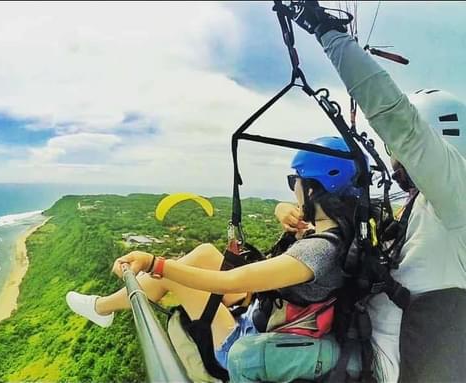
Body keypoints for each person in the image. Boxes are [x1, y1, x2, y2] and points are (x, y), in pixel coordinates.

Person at [66, 136, 360, 373]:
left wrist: (155, 263)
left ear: (311, 190)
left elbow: (234, 280)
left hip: (253, 342)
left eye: (293, 181)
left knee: (174, 276)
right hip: (267, 316)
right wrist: (281, 209)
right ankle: (102, 308)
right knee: (206, 252)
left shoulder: (318, 249)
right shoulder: (334, 232)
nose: (293, 188)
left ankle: (103, 308)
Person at [289, 6, 466, 382]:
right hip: (368, 347)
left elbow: (396, 118)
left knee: (252, 357)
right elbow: (354, 214)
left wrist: (328, 33)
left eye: (396, 151)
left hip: (388, 366)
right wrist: (291, 212)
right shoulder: (422, 205)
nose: (393, 160)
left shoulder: (458, 196)